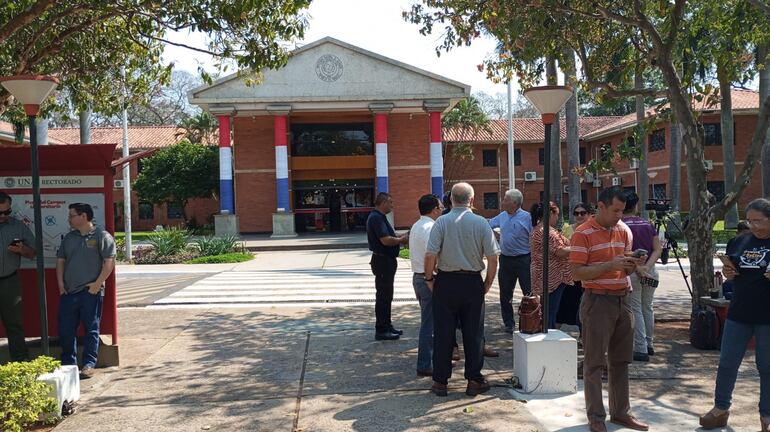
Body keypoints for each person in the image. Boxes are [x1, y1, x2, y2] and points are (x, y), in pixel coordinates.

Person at [570, 187, 649, 432]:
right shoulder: (582, 233)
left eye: (622, 211)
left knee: (621, 360)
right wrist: (609, 265)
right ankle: (596, 416)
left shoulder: (624, 230)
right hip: (597, 301)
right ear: (600, 206)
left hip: (623, 299)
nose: (619, 215)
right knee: (594, 363)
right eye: (615, 210)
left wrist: (633, 265)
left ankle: (620, 413)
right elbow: (577, 273)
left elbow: (623, 269)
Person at [699, 198, 770, 432]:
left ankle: (766, 414)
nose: (753, 226)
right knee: (727, 362)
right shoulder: (738, 242)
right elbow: (733, 274)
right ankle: (720, 408)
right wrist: (728, 273)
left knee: (766, 366)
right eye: (750, 221)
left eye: (758, 221)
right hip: (739, 312)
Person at [425, 182, 499, 397]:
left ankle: (440, 382)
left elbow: (430, 254)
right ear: (472, 200)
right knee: (474, 333)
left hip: (446, 281)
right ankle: (474, 380)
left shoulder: (441, 222)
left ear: (450, 200)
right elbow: (493, 257)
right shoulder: (481, 223)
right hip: (472, 282)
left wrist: (429, 278)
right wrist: (487, 283)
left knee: (443, 333)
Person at [56, 203, 116, 379]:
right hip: (69, 293)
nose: (69, 219)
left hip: (90, 293)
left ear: (83, 216)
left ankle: (89, 364)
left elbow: (109, 262)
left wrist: (97, 284)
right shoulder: (69, 238)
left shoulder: (102, 236)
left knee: (91, 329)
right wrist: (60, 285)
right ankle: (69, 364)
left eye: (72, 216)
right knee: (66, 330)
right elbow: (60, 261)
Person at [621, 192, 663, 362]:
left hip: (632, 270)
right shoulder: (647, 224)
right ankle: (649, 343)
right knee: (648, 307)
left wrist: (638, 268)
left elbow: (622, 251)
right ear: (636, 206)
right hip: (650, 269)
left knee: (636, 308)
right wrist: (647, 267)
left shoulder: (621, 226)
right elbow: (658, 249)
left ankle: (640, 348)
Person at [366, 192, 408, 341]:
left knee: (387, 295)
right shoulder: (376, 218)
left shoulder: (380, 217)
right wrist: (401, 240)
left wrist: (400, 236)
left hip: (386, 260)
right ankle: (382, 329)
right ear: (383, 203)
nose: (392, 205)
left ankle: (387, 325)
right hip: (383, 261)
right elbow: (385, 240)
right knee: (383, 296)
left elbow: (390, 234)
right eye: (390, 202)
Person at [489, 188, 532, 333]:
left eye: (506, 199)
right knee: (505, 294)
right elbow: (487, 225)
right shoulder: (502, 216)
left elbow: (534, 237)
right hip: (506, 260)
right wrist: (496, 236)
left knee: (528, 293)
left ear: (514, 202)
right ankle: (509, 324)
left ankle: (529, 321)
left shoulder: (527, 218)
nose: (503, 202)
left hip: (524, 260)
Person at [409, 194, 443, 377]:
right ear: (434, 209)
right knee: (429, 324)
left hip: (418, 277)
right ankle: (425, 364)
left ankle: (431, 361)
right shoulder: (431, 228)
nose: (443, 209)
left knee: (430, 322)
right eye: (441, 207)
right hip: (427, 278)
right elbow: (433, 256)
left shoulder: (416, 225)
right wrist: (432, 279)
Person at [0, 192, 35, 362]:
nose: (3, 216)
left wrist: (21, 250)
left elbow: (33, 252)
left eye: (7, 212)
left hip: (9, 281)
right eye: (0, 213)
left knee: (14, 325)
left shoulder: (17, 226)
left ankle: (21, 362)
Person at [530, 201, 573, 329]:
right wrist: (578, 247)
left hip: (545, 276)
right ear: (550, 213)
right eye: (557, 214)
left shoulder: (539, 229)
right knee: (549, 312)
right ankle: (548, 337)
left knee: (547, 311)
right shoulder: (546, 232)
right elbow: (560, 251)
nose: (557, 218)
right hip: (553, 278)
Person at [557, 202, 593, 329]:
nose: (579, 216)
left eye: (582, 213)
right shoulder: (568, 229)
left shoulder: (592, 230)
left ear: (589, 214)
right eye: (576, 213)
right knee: (564, 305)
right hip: (569, 273)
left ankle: (583, 337)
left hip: (587, 272)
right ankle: (552, 333)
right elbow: (560, 248)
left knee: (584, 307)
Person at [722, 220, 751, 300]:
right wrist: (727, 270)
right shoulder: (733, 242)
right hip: (736, 278)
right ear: (737, 233)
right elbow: (728, 262)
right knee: (726, 287)